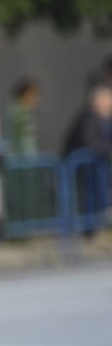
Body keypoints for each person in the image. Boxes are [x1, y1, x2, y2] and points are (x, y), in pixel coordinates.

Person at [62, 83, 112, 236]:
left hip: (97, 163)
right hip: (83, 163)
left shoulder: (105, 119)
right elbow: (89, 141)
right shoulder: (88, 117)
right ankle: (92, 226)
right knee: (91, 193)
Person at [4, 79, 41, 158]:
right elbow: (26, 143)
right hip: (21, 162)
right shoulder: (21, 114)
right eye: (33, 94)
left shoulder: (15, 111)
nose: (36, 98)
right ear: (26, 94)